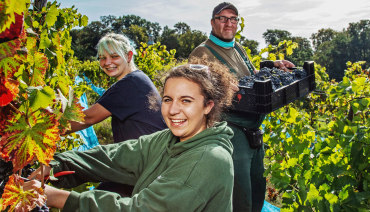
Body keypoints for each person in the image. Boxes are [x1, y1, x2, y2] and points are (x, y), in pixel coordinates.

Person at [24, 57, 237, 212]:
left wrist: (59, 198)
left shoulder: (208, 159)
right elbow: (113, 157)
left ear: (208, 106)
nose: (173, 110)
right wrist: (55, 165)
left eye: (186, 101)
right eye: (168, 99)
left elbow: (143, 209)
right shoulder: (168, 139)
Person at [189, 2, 295, 212]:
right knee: (240, 195)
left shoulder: (238, 47)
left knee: (257, 187)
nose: (229, 23)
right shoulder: (202, 53)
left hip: (254, 131)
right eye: (223, 18)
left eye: (233, 19)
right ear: (212, 22)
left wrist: (272, 65)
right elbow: (198, 86)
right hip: (232, 132)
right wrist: (217, 81)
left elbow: (252, 76)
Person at [66, 33, 167, 196]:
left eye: (114, 56)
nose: (107, 63)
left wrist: (46, 131)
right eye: (102, 58)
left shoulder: (129, 84)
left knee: (91, 203)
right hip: (145, 163)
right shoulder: (137, 79)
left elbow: (86, 119)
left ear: (128, 56)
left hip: (142, 168)